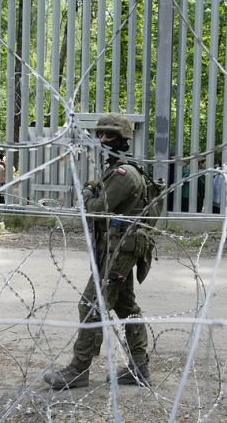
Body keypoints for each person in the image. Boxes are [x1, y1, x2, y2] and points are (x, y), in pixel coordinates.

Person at [43, 112, 152, 390]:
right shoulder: (116, 170)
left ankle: (79, 370)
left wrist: (89, 194)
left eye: (110, 135)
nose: (103, 139)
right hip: (116, 248)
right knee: (125, 306)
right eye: (101, 134)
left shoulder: (124, 173)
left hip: (119, 250)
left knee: (92, 305)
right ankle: (140, 368)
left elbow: (95, 209)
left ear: (123, 139)